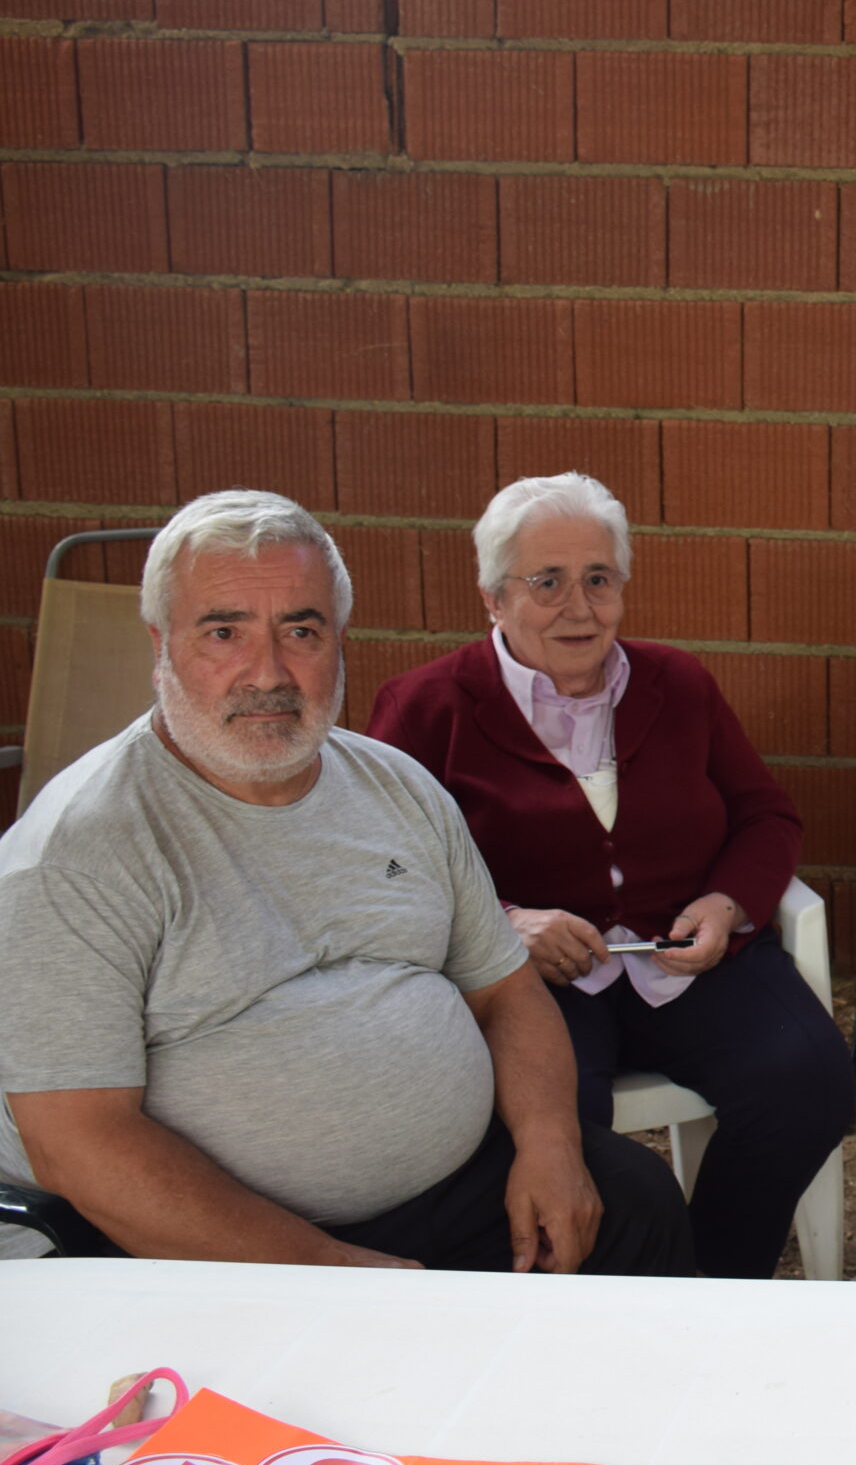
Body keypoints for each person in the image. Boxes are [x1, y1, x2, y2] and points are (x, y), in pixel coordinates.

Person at [0, 490, 688, 1273]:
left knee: (636, 1204)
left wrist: (550, 1145)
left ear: (339, 641)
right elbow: (77, 1141)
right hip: (210, 1245)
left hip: (451, 1187)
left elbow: (506, 992)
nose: (268, 672)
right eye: (224, 632)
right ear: (161, 643)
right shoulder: (77, 854)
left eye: (301, 631)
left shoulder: (397, 787)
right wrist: (322, 1265)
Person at [368, 473, 854, 1280]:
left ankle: (711, 1286)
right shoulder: (425, 707)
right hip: (534, 983)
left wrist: (726, 903)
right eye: (547, 582)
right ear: (493, 597)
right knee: (564, 1137)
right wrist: (506, 921)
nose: (580, 607)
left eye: (599, 579)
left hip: (687, 959)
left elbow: (766, 815)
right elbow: (389, 864)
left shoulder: (679, 683)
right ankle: (602, 1302)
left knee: (809, 1082)